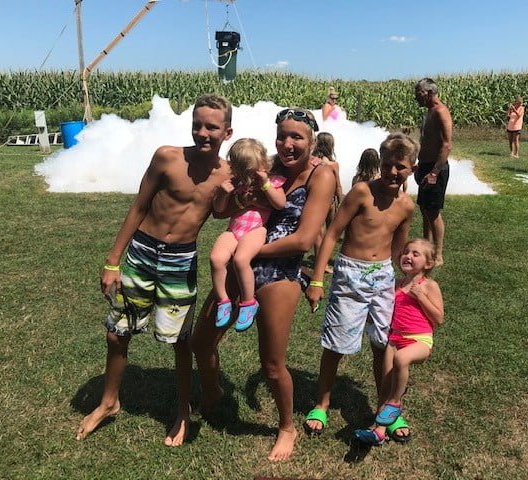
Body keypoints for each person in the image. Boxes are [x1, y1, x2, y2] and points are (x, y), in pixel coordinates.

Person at [75, 94, 234, 446]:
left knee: (179, 341)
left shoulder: (228, 174)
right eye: (198, 125)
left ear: (227, 132)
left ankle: (181, 411)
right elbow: (138, 206)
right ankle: (109, 401)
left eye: (212, 127)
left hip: (180, 261)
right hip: (142, 253)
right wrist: (113, 260)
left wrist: (226, 193)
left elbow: (222, 213)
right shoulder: (167, 157)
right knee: (117, 333)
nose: (203, 133)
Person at [191, 108, 336, 461]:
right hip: (244, 265)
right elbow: (230, 210)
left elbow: (303, 241)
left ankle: (286, 427)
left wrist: (250, 252)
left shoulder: (322, 175)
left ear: (312, 141)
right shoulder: (266, 167)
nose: (288, 144)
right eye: (282, 136)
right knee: (201, 340)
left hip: (279, 274)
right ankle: (212, 393)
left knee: (272, 364)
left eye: (296, 137)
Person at [303, 133, 416, 438]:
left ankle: (386, 408)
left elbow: (398, 249)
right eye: (389, 165)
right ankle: (322, 403)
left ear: (412, 168)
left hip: (382, 277)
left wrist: (406, 281)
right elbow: (331, 234)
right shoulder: (361, 193)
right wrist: (316, 279)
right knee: (336, 344)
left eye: (401, 167)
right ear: (382, 163)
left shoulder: (406, 206)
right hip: (350, 274)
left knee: (384, 345)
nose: (394, 172)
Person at [354, 238, 444, 446]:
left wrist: (421, 297)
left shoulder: (429, 285)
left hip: (419, 339)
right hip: (394, 339)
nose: (408, 256)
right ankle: (379, 431)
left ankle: (395, 403)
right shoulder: (397, 285)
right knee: (385, 383)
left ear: (428, 264)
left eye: (415, 254)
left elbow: (438, 319)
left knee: (402, 360)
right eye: (406, 252)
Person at [210, 138, 287, 331]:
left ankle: (248, 302)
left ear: (264, 164)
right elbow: (219, 210)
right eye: (244, 174)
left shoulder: (271, 181)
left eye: (253, 173)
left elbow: (280, 204)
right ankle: (223, 301)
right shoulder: (234, 183)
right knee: (216, 258)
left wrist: (266, 185)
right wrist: (222, 193)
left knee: (240, 260)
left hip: (256, 229)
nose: (249, 179)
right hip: (234, 229)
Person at [414, 78, 453, 267]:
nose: (416, 98)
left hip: (435, 168)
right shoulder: (429, 112)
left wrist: (435, 172)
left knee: (434, 212)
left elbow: (447, 144)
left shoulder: (441, 112)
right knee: (424, 208)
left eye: (418, 94)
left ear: (429, 93)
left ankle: (438, 255)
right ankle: (425, 246)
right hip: (425, 166)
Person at [312, 132, 344, 273]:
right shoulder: (333, 164)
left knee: (318, 233)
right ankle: (323, 264)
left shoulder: (311, 161)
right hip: (329, 202)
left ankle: (320, 261)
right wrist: (340, 201)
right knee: (330, 233)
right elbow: (337, 185)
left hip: (312, 201)